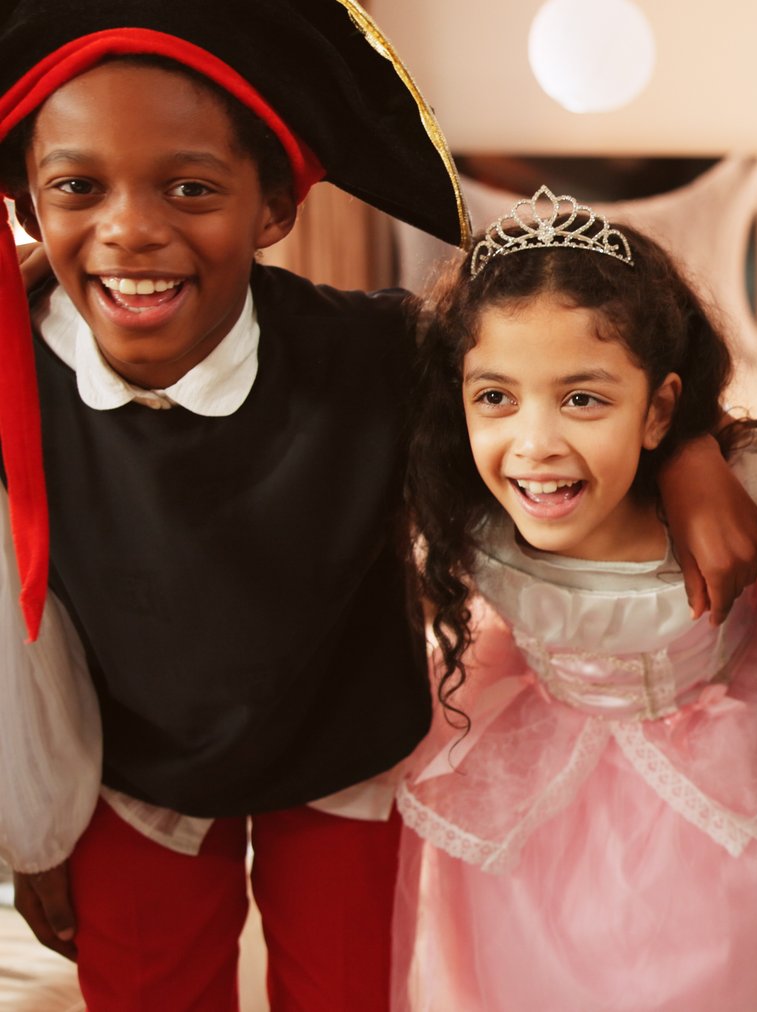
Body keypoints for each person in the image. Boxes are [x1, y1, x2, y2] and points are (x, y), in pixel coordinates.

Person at [0, 2, 462, 1007]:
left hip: (343, 747)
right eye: (79, 186)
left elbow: (573, 371)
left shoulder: (383, 352)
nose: (129, 227)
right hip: (135, 768)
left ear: (273, 209)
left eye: (190, 187)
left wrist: (686, 449)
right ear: (30, 208)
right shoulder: (10, 378)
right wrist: (25, 819)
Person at [394, 190, 757, 1011]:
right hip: (534, 777)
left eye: (583, 398)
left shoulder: (747, 499)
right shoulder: (467, 508)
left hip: (713, 791)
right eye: (496, 397)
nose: (536, 443)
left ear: (658, 406)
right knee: (518, 976)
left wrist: (696, 445)